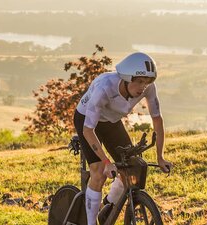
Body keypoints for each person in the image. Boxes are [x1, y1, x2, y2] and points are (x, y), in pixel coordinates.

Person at [73, 52, 172, 225]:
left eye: (147, 82)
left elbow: (157, 119)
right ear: (126, 78)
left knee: (131, 168)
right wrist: (106, 162)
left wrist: (160, 157)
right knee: (98, 173)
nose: (143, 87)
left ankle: (108, 206)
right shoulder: (104, 88)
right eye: (139, 81)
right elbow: (89, 130)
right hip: (87, 121)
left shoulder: (148, 89)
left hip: (111, 122)